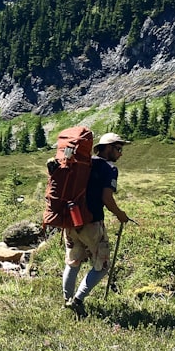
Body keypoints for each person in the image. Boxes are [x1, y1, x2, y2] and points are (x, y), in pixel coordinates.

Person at [62, 132, 131, 317]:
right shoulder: (109, 169)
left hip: (71, 220)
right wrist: (121, 215)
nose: (120, 153)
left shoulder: (83, 163)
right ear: (107, 148)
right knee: (103, 264)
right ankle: (77, 300)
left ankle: (66, 301)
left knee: (73, 262)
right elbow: (106, 198)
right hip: (92, 223)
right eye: (118, 149)